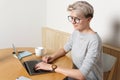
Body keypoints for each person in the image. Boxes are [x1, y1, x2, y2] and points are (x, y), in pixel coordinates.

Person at [35, 1, 103, 80]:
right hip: (73, 75)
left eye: (77, 19)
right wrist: (52, 57)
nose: (73, 22)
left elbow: (81, 75)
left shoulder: (94, 41)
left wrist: (51, 67)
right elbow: (64, 49)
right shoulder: (76, 32)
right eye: (71, 18)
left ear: (89, 19)